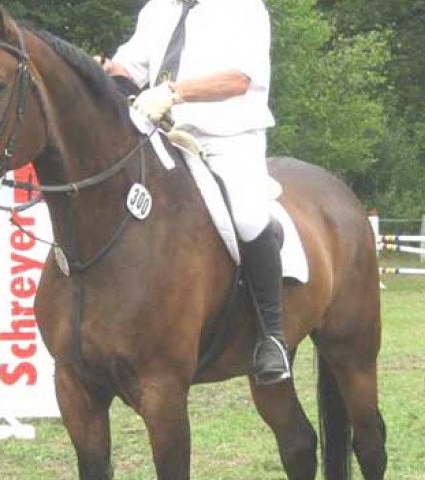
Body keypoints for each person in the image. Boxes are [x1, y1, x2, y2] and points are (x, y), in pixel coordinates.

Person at [100, 0, 290, 384]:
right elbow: (131, 68)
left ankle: (272, 336)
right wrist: (105, 72)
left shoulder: (244, 9)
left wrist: (173, 91)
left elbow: (239, 79)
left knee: (248, 216)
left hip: (227, 137)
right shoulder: (158, 9)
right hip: (160, 133)